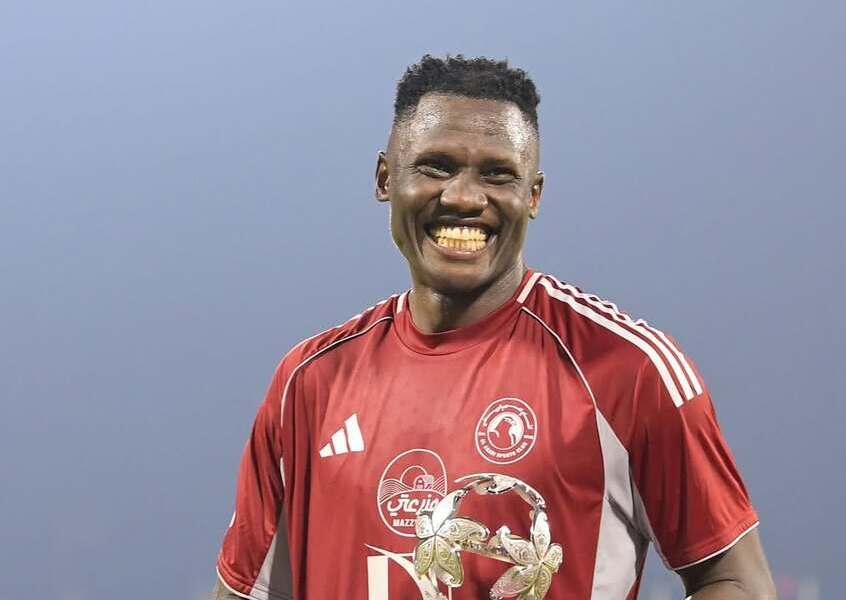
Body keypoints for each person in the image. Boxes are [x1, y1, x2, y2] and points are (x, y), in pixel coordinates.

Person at [211, 54, 775, 600]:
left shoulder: (628, 371)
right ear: (386, 178)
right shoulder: (308, 383)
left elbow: (737, 583)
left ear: (533, 196)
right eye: (436, 166)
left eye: (498, 174)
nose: (463, 197)